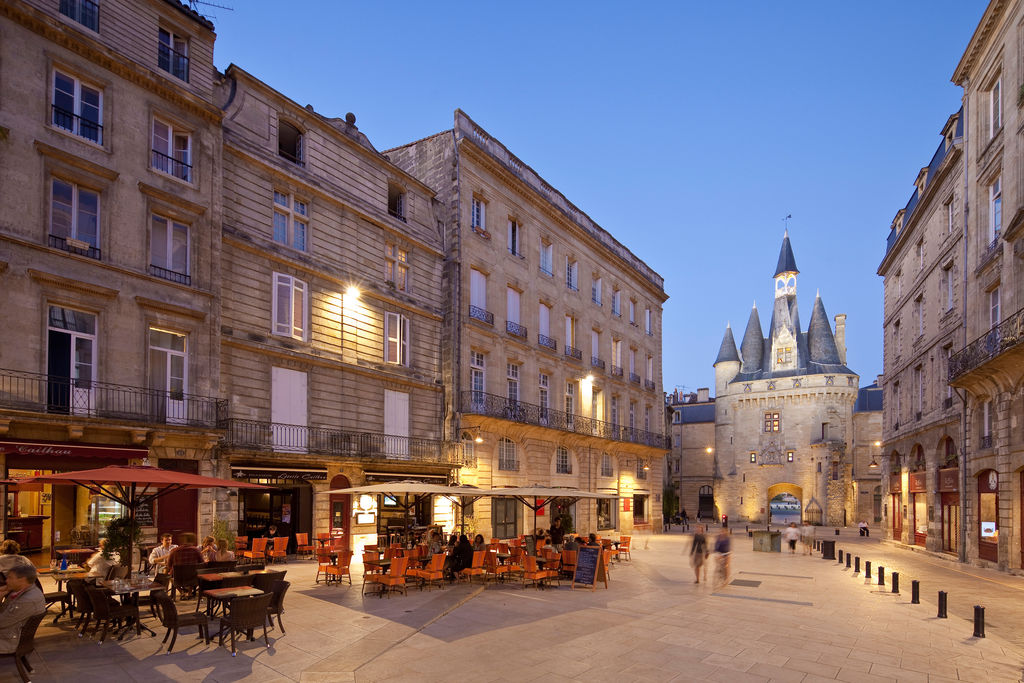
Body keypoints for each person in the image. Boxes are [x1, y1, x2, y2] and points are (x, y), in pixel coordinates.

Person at [0, 564, 44, 654]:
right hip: (9, 633)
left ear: (22, 580)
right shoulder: (21, 591)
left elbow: (1, 622)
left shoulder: (26, 600)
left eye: (10, 578)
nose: (6, 580)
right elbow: (3, 611)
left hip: (8, 640)